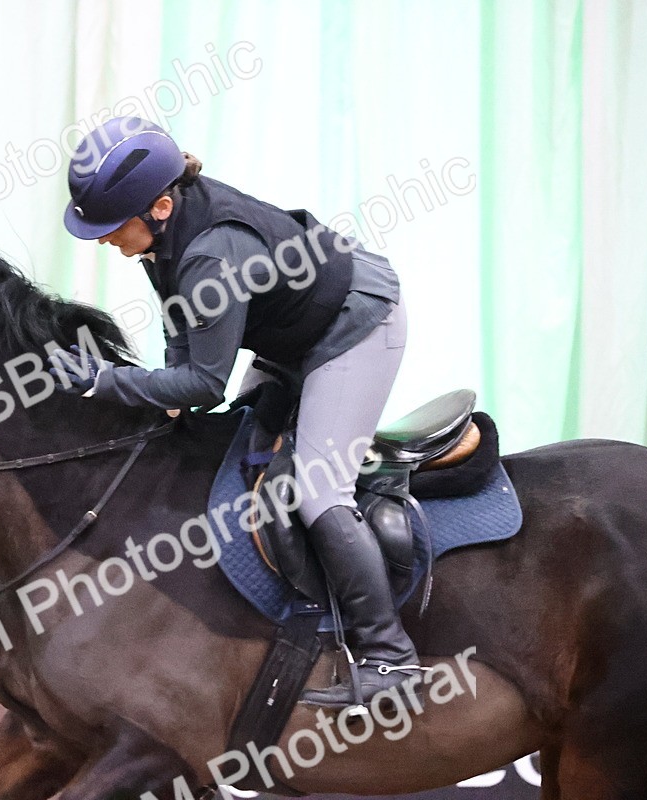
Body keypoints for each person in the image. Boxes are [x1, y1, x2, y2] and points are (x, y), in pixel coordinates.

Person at [54, 116, 424, 707]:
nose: (100, 239)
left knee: (316, 490)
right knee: (237, 448)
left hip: (355, 324)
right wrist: (149, 393)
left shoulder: (208, 253)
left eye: (108, 226)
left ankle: (391, 656)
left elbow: (203, 382)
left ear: (162, 207)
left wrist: (106, 382)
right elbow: (183, 334)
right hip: (293, 329)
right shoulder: (165, 238)